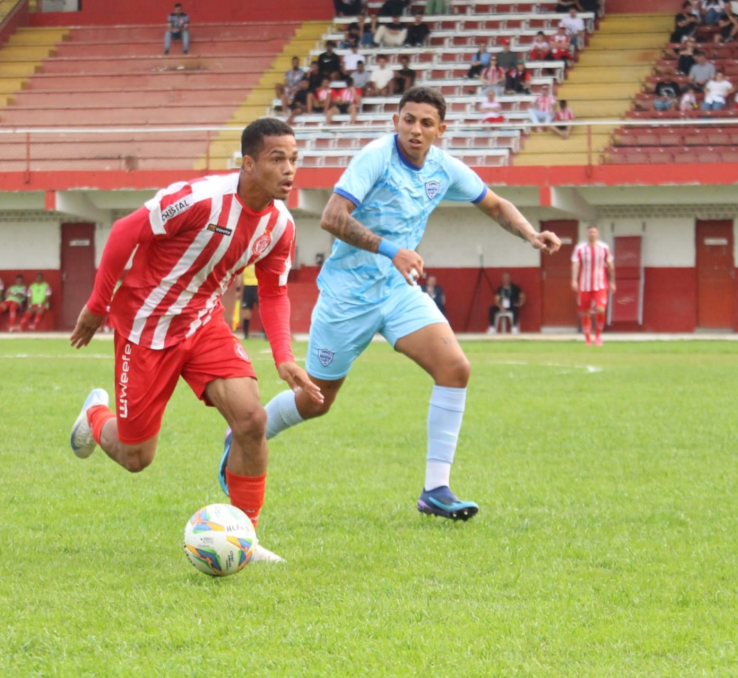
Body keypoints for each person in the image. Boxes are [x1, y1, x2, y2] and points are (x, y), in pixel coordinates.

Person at [218, 87, 561, 522]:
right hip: (347, 296)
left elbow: (494, 204)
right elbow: (332, 217)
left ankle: (436, 490)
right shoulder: (375, 158)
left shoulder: (443, 168)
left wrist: (531, 234)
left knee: (455, 368)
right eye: (408, 120)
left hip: (397, 291)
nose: (415, 130)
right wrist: (391, 249)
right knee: (316, 401)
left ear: (440, 130)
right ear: (396, 121)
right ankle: (242, 434)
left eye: (426, 123)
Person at [67, 118, 322, 563]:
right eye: (277, 158)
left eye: (294, 159)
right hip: (146, 326)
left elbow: (274, 291)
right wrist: (96, 304)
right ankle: (94, 416)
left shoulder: (280, 225)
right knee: (135, 457)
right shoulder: (201, 199)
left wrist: (284, 357)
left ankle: (245, 539)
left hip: (203, 323)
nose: (289, 169)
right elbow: (126, 231)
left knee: (251, 420)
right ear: (248, 164)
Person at [571, 226, 615, 346]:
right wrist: (574, 280)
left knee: (601, 309)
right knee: (586, 312)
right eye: (590, 232)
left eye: (594, 232)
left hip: (600, 284)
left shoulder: (604, 248)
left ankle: (598, 336)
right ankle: (587, 339)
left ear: (597, 234)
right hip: (584, 285)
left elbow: (610, 265)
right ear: (587, 233)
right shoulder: (580, 248)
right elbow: (575, 264)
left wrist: (612, 281)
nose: (592, 234)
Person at [238, 265, 259, 340]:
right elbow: (239, 276)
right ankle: (246, 335)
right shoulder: (245, 264)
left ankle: (267, 334)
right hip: (247, 288)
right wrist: (238, 289)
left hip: (258, 287)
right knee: (246, 314)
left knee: (262, 311)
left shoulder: (258, 263)